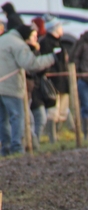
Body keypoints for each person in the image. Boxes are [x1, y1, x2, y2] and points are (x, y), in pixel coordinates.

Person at [0, 24, 55, 156]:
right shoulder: (19, 45)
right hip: (11, 87)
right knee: (17, 117)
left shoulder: (4, 39)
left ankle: (5, 148)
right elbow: (31, 64)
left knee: (3, 119)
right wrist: (52, 58)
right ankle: (17, 147)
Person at [39, 17, 71, 143]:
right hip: (52, 82)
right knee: (53, 111)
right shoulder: (45, 43)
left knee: (63, 111)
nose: (62, 29)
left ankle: (58, 133)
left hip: (63, 81)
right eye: (60, 27)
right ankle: (52, 137)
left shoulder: (60, 42)